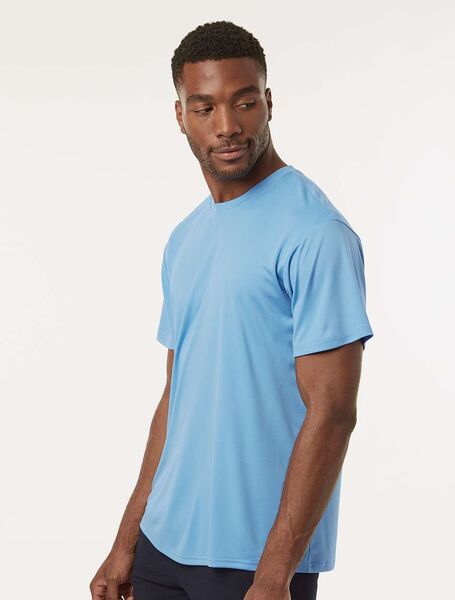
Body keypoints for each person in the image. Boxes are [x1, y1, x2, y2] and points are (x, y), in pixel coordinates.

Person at [90, 20, 374, 600]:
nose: (227, 126)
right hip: (162, 547)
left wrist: (274, 575)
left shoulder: (316, 233)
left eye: (244, 103)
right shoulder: (185, 238)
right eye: (205, 108)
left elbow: (332, 413)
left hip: (256, 562)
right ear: (181, 115)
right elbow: (177, 397)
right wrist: (127, 540)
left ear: (268, 103)